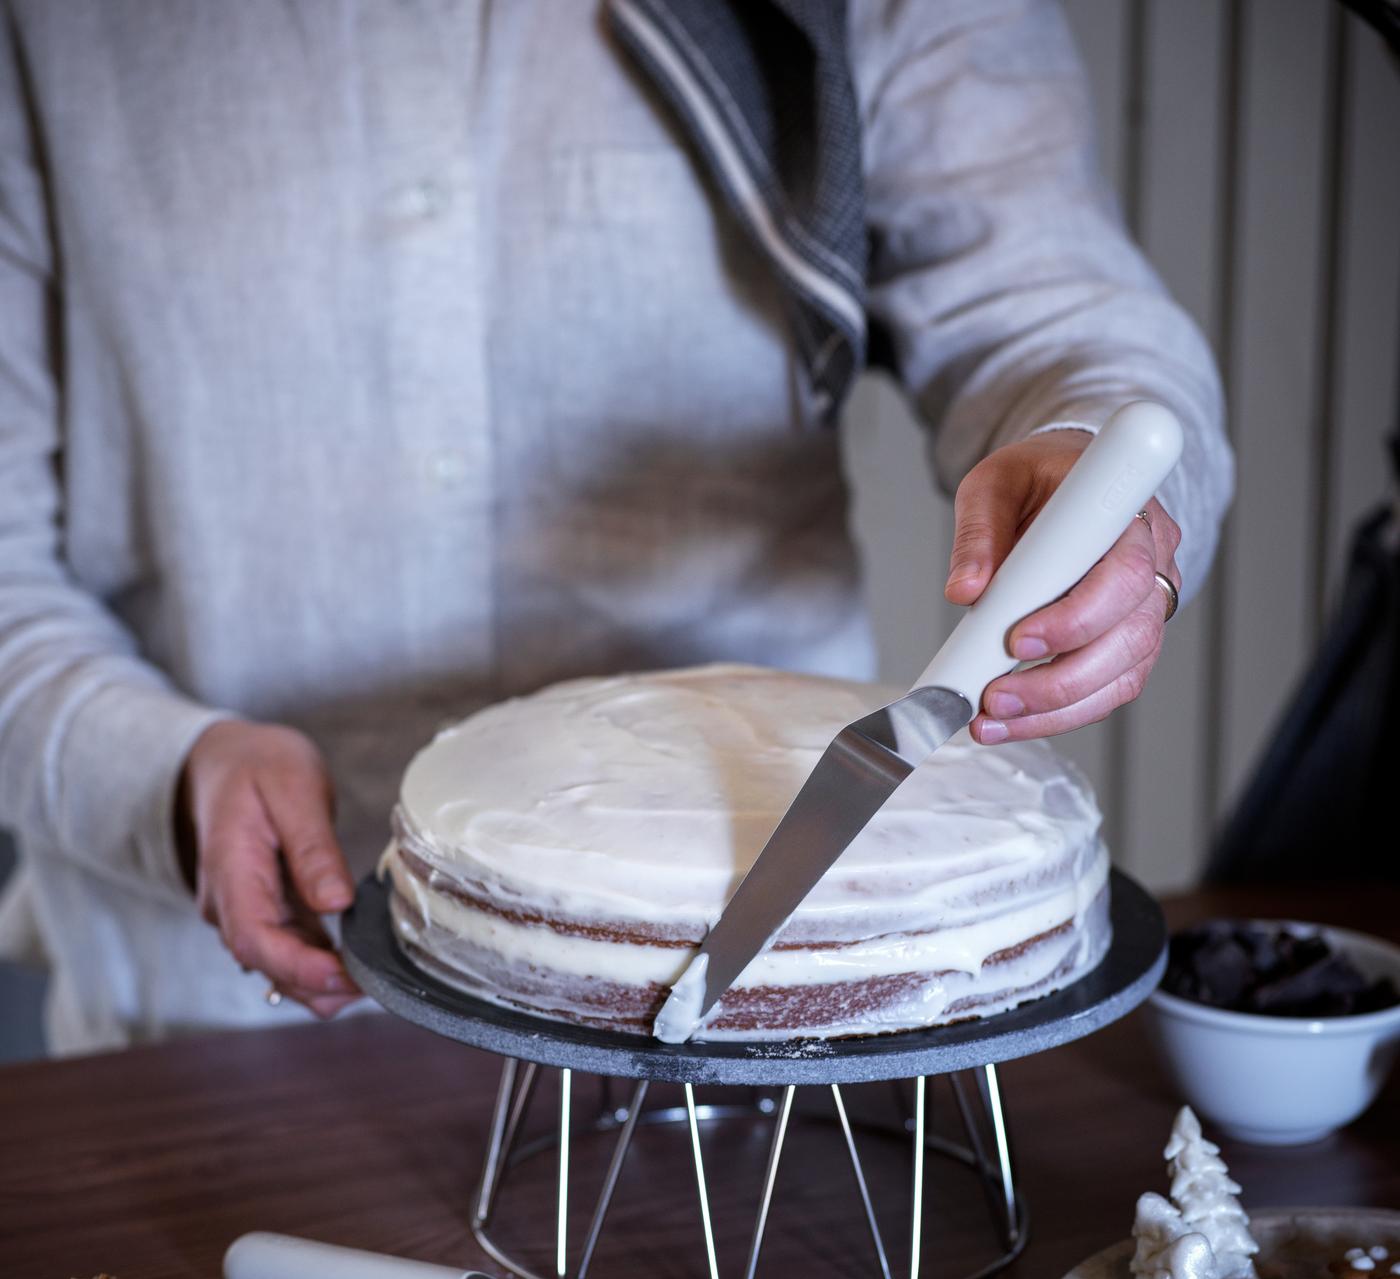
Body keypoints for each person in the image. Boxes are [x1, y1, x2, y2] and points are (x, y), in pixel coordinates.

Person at [0, 0, 1232, 1055]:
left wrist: (1098, 456)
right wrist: (156, 769)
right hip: (226, 1016)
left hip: (789, 1003)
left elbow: (1052, 307)